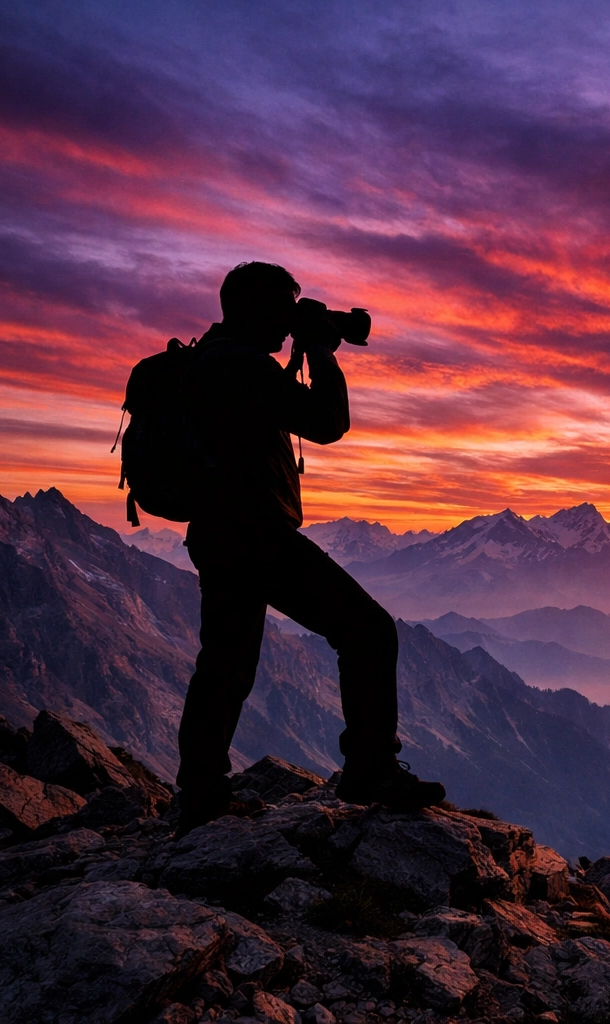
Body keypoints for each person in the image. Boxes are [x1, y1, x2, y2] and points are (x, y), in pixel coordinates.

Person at [175, 261, 444, 836]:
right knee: (368, 630)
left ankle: (201, 796)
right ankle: (369, 769)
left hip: (220, 533)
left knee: (224, 665)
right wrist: (321, 352)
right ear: (251, 309)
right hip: (253, 534)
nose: (288, 320)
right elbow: (327, 422)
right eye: (281, 307)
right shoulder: (240, 365)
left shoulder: (214, 359)